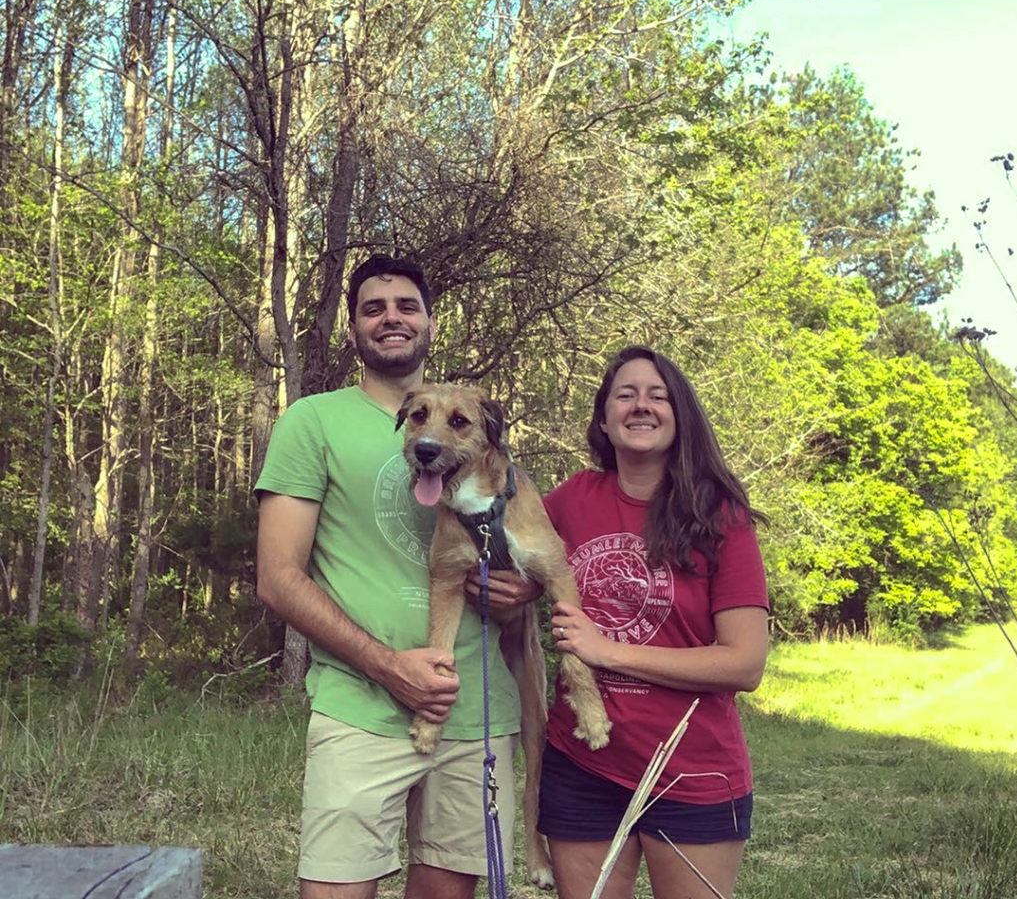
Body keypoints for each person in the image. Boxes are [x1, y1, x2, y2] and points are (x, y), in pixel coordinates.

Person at [255, 254, 535, 899]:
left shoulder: (471, 421)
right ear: (353, 326)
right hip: (361, 704)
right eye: (373, 308)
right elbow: (277, 577)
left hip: (473, 710)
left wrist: (523, 590)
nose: (391, 318)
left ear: (431, 321)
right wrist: (387, 667)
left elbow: (519, 547)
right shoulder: (313, 421)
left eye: (407, 306)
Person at [538, 345, 770, 899]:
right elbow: (514, 569)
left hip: (693, 769)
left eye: (657, 396)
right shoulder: (570, 500)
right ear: (603, 418)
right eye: (626, 395)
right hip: (582, 761)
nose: (641, 406)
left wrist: (608, 650)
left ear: (679, 414)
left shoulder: (720, 516)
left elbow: (745, 662)